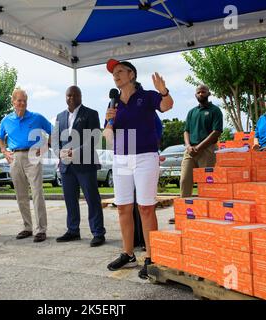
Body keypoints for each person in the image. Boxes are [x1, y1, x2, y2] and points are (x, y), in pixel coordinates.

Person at [103, 59, 174, 279]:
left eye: (121, 71)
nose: (116, 74)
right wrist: (107, 123)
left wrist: (164, 91)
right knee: (123, 207)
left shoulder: (147, 96)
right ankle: (128, 253)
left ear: (132, 75)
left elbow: (166, 105)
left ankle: (151, 258)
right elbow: (107, 137)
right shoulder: (113, 104)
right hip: (121, 157)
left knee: (145, 208)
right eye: (114, 72)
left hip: (145, 156)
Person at [52, 86, 106, 247]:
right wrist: (59, 153)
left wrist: (74, 152)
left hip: (85, 165)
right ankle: (73, 230)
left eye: (75, 95)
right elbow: (55, 140)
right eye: (69, 95)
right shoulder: (59, 117)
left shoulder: (91, 114)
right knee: (70, 200)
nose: (72, 98)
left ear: (81, 96)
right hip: (66, 166)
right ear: (65, 97)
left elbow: (94, 139)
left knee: (92, 199)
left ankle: (98, 232)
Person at [0, 89, 52, 243]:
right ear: (13, 102)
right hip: (14, 157)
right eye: (19, 100)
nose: (22, 103)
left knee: (37, 193)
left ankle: (41, 229)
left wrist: (46, 145)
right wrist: (4, 151)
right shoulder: (6, 120)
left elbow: (53, 130)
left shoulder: (37, 118)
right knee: (20, 194)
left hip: (33, 156)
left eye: (24, 101)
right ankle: (27, 227)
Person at [179, 85, 223, 198]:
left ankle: (207, 209)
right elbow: (186, 131)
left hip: (207, 150)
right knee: (184, 180)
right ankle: (185, 209)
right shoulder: (191, 112)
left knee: (206, 183)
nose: (201, 94)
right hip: (190, 150)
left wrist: (198, 147)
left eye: (203, 92)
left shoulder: (215, 110)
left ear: (209, 93)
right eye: (198, 92)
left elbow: (216, 132)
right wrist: (188, 146)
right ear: (195, 95)